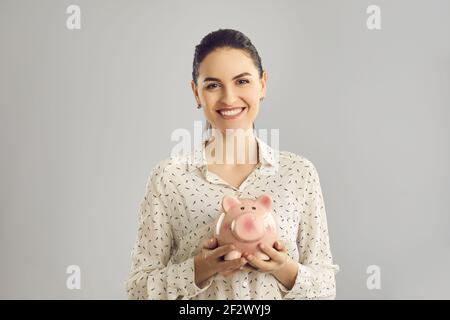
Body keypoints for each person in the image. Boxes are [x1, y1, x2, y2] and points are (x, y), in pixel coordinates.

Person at [125, 28, 339, 300]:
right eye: (213, 85)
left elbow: (326, 288)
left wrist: (283, 268)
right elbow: (137, 290)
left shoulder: (299, 173)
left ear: (262, 84)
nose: (228, 98)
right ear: (196, 92)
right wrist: (202, 267)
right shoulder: (170, 177)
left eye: (242, 81)